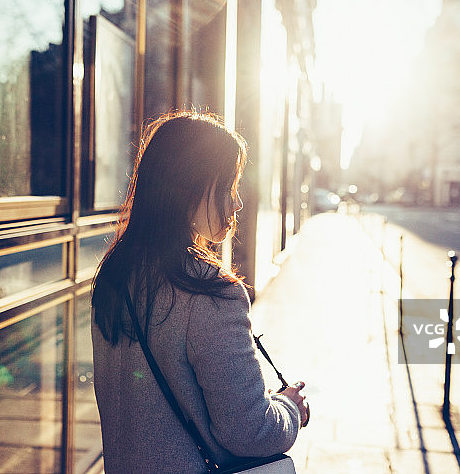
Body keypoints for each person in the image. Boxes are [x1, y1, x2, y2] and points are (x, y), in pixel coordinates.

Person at [91, 111, 309, 473]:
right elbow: (250, 432)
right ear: (188, 189)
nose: (237, 203)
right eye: (227, 187)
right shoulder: (211, 294)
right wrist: (290, 409)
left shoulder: (114, 274)